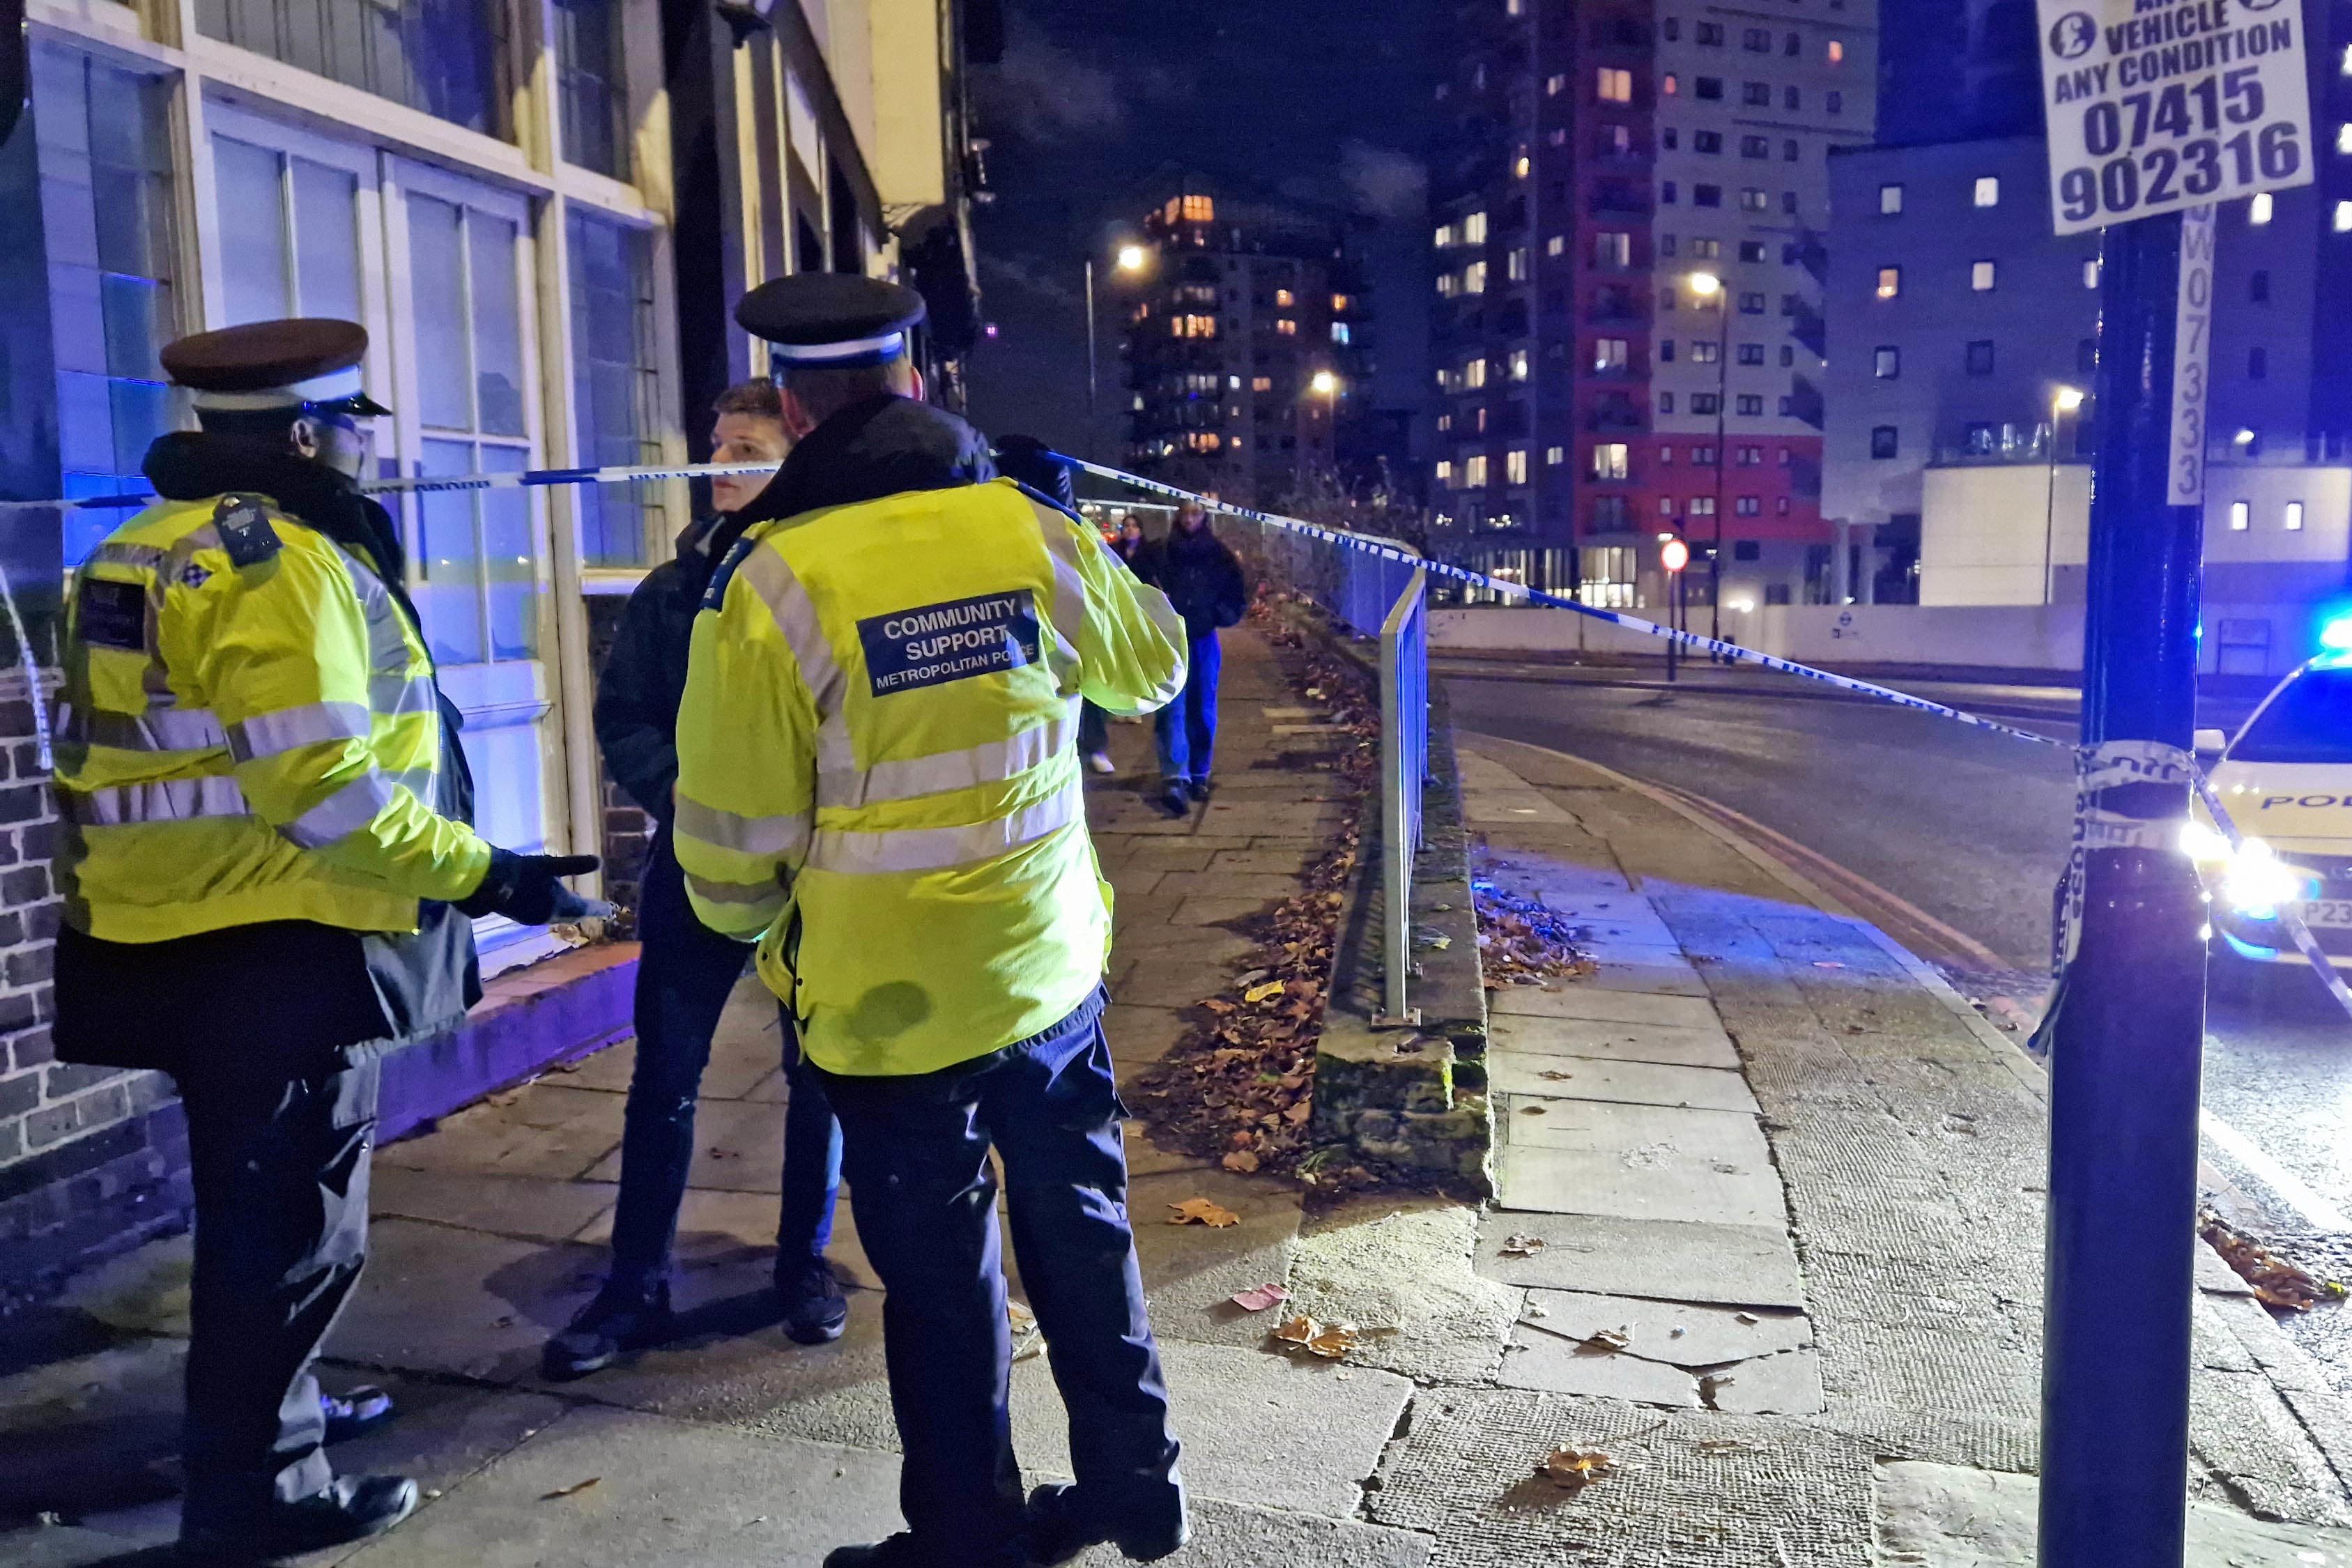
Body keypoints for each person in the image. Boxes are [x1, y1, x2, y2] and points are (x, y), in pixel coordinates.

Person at [47, 318, 604, 1562]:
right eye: (353, 427)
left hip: (162, 934)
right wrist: (491, 876)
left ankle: (260, 1418)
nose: (364, 452)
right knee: (293, 1233)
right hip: (279, 938)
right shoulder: (277, 563)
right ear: (304, 434)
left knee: (248, 1217)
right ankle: (259, 1493)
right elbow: (330, 794)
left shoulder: (132, 548)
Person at [673, 274, 1192, 1568]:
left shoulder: (772, 582)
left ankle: (969, 1535)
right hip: (1049, 978)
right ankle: (1136, 1491)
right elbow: (1157, 667)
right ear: (914, 383)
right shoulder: (1024, 534)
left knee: (943, 1278)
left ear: (794, 411)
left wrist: (765, 949)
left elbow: (734, 845)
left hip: (884, 1009)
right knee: (1082, 1225)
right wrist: (1068, 531)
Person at [541, 380, 847, 1380]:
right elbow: (623, 711)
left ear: (791, 454)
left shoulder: (826, 577)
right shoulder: (674, 588)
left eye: (743, 444)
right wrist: (686, 790)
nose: (720, 463)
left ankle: (804, 1265)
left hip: (809, 877)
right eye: (714, 443)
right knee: (663, 1078)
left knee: (822, 1076)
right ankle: (634, 1284)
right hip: (692, 867)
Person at [992, 435, 1119, 778]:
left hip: (1015, 583)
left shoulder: (993, 479)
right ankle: (1089, 745)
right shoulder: (1053, 475)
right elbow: (1069, 518)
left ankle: (1084, 745)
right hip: (1055, 579)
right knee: (1077, 666)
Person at [1135, 500, 1247, 816]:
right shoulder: (1159, 552)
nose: (1189, 519)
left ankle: (1199, 772)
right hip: (1170, 639)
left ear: (1204, 517)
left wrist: (1216, 614)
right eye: (1184, 513)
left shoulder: (1218, 555)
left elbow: (1236, 593)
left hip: (1201, 637)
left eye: (1195, 513)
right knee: (1172, 705)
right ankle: (1175, 776)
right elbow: (1134, 584)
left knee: (1202, 706)